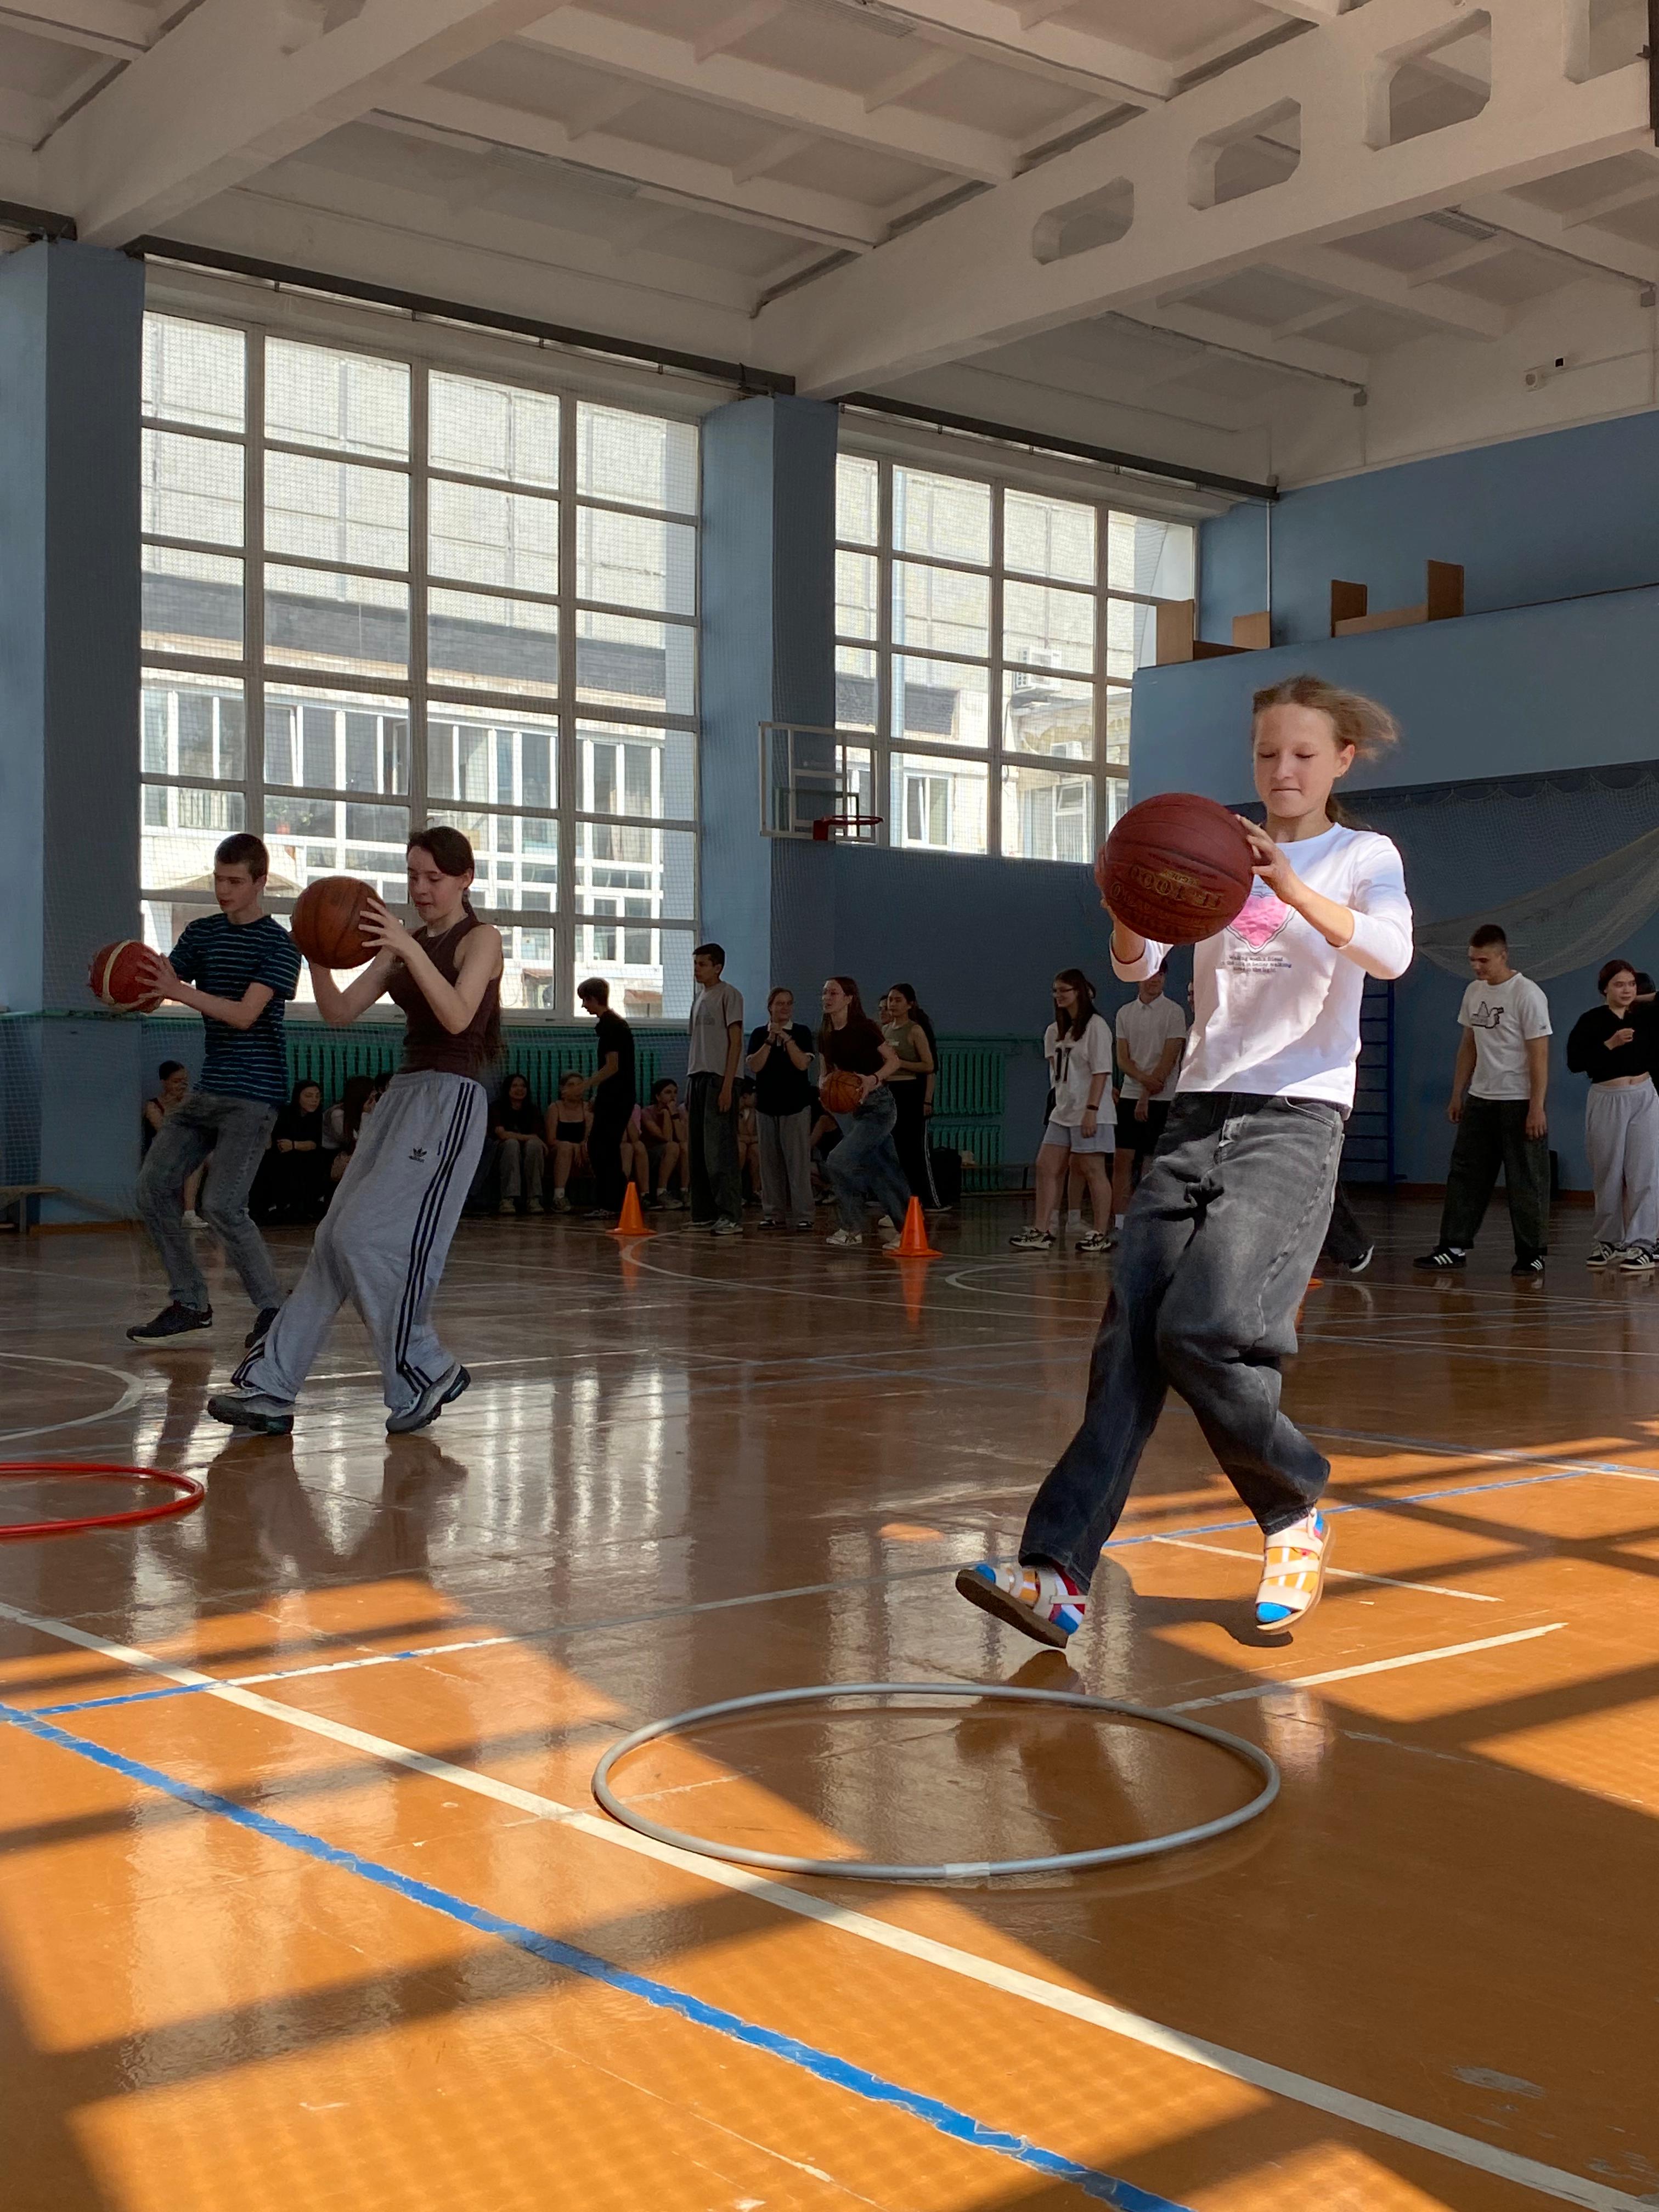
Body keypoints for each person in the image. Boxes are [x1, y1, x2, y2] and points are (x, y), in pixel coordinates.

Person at [958, 673, 1412, 1644]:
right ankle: (1056, 1574)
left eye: (1303, 754)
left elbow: (1389, 955)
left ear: (1340, 759)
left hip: (1295, 1117)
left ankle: (1293, 1505)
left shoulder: (1361, 855)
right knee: (1129, 1337)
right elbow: (1137, 964)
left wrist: (1289, 888)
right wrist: (1126, 898)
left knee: (1206, 1327)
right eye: (1266, 753)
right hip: (1197, 1109)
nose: (1282, 770)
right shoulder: (1209, 847)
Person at [207, 825, 503, 1438]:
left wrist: (407, 948)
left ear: (465, 879)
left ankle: (425, 1365)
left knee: (363, 1237)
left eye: (435, 878)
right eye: (414, 876)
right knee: (331, 1240)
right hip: (401, 1096)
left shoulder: (482, 939)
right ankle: (272, 1387)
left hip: (449, 1100)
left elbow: (457, 1015)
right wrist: (317, 952)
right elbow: (339, 1012)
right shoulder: (403, 944)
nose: (421, 889)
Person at [128, 833, 302, 1350]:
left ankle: (274, 1310)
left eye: (234, 881)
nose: (223, 890)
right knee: (152, 1188)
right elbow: (157, 987)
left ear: (260, 882)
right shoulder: (202, 933)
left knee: (222, 1205)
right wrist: (125, 986)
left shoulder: (279, 945)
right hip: (210, 1090)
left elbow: (245, 1015)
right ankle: (190, 1303)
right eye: (218, 880)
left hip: (255, 1092)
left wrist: (177, 990)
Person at [1415, 924, 1553, 1277]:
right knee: (1466, 1174)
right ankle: (1453, 1246)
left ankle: (1532, 1252)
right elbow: (1469, 1045)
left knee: (1526, 1179)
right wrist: (1457, 1093)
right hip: (1481, 1099)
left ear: (1503, 956)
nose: (1477, 967)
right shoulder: (1473, 992)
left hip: (1518, 1100)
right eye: (1473, 960)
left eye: (1484, 960)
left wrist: (1536, 1106)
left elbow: (1539, 1054)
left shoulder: (1527, 994)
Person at [1009, 969, 1115, 1255]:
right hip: (1063, 1110)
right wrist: (1060, 1102)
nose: (1058, 996)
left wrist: (1092, 1110)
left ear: (1079, 992)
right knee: (1046, 1165)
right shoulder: (1054, 1031)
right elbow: (1059, 1074)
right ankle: (1042, 1229)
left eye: (1064, 990)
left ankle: (1100, 1233)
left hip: (1090, 1109)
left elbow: (1101, 1071)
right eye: (1055, 991)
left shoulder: (1096, 1027)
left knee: (1092, 1169)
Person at [1566, 957, 1659, 1271]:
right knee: (1608, 1171)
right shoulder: (1591, 1021)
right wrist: (1610, 1044)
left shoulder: (1644, 1016)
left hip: (1643, 1096)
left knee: (1644, 1171)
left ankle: (1643, 1243)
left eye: (1631, 984)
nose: (1627, 990)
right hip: (1608, 1098)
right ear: (1604, 988)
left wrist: (1640, 998)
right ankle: (1608, 1240)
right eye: (1619, 985)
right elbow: (1576, 1062)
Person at [819, 977, 909, 1249]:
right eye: (825, 993)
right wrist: (824, 1088)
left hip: (880, 1107)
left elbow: (894, 1061)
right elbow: (825, 1072)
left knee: (838, 1160)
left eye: (833, 993)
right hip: (855, 1110)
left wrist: (873, 1079)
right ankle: (908, 1231)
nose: (827, 998)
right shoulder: (825, 1031)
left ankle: (851, 1227)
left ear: (849, 998)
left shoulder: (864, 1028)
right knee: (882, 1169)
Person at [1111, 964, 1187, 1229]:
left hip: (1161, 1097)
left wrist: (1147, 1093)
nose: (1154, 981)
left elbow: (1169, 1059)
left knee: (1150, 1160)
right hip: (1131, 1093)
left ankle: (1146, 1219)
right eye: (1149, 976)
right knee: (1122, 1158)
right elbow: (1123, 1059)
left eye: (1160, 975)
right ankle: (1120, 1221)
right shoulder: (1125, 1013)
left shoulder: (1174, 1012)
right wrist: (1142, 1083)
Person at [746, 986, 815, 1231]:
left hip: (795, 1106)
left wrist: (786, 1039)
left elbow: (802, 1064)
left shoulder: (802, 1032)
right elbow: (755, 1066)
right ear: (770, 1007)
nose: (785, 1008)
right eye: (780, 1004)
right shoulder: (758, 1034)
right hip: (766, 1107)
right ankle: (773, 1214)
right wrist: (770, 1039)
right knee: (769, 1164)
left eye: (789, 1003)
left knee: (798, 1164)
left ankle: (804, 1214)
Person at [686, 944, 744, 1235]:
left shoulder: (729, 995)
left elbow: (736, 1041)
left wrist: (728, 1085)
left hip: (719, 1079)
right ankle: (704, 1213)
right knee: (698, 1150)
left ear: (718, 967)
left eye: (703, 964)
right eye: (696, 964)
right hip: (697, 1078)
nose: (697, 969)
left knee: (720, 1150)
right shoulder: (699, 997)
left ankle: (730, 1215)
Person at [576, 977, 636, 1221]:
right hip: (614, 1096)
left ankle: (612, 1202)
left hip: (617, 1098)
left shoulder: (612, 1026)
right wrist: (598, 1095)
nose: (584, 1006)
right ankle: (616, 1202)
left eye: (585, 1000)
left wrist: (584, 1086)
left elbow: (612, 1067)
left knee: (603, 1148)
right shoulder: (612, 1024)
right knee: (603, 1147)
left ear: (593, 999)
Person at [881, 984, 941, 1212]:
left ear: (910, 1004)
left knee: (913, 1148)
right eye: (890, 1000)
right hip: (890, 1092)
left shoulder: (915, 1030)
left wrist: (899, 1063)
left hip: (910, 1091)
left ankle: (926, 1198)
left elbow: (929, 1065)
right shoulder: (885, 1030)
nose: (893, 1004)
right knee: (893, 1148)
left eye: (898, 1000)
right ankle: (901, 1197)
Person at [143, 1060, 209, 1228]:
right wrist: (174, 1107)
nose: (181, 1086)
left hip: (186, 1149)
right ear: (164, 1082)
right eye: (176, 1082)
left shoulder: (188, 1102)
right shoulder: (153, 1106)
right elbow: (166, 1133)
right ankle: (189, 1213)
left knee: (216, 1158)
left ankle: (223, 1209)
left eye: (184, 1081)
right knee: (195, 1161)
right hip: (163, 1154)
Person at [269, 1080, 329, 1222]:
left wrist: (295, 1145)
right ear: (298, 1097)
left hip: (307, 1159)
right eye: (309, 1096)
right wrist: (300, 1145)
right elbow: (281, 1144)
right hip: (282, 1158)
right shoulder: (285, 1114)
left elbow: (315, 1144)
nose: (314, 1100)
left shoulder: (317, 1116)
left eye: (317, 1096)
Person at [546, 1071, 592, 1211]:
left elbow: (589, 1137)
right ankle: (559, 1197)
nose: (576, 1089)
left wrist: (580, 1146)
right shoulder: (555, 1108)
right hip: (559, 1151)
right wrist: (573, 1147)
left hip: (583, 1151)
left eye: (580, 1085)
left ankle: (610, 1196)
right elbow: (551, 1140)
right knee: (566, 1147)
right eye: (571, 1085)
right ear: (562, 1089)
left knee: (594, 1148)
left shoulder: (587, 1108)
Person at [640, 1078, 687, 1209]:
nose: (673, 1096)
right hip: (651, 1154)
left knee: (684, 1147)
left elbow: (682, 1138)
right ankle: (661, 1192)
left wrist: (674, 1115)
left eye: (675, 1092)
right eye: (668, 1092)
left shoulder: (677, 1112)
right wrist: (667, 1114)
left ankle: (685, 1191)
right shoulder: (646, 1113)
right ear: (658, 1096)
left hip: (672, 1153)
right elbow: (666, 1138)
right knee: (673, 1146)